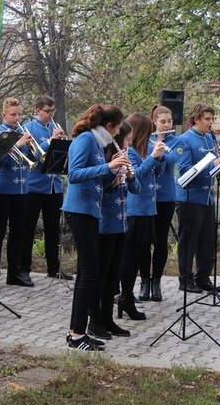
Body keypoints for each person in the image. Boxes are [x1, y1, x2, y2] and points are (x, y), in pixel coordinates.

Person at [63, 103, 131, 351]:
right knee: (88, 272)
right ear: (109, 126)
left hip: (90, 210)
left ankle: (77, 332)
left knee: (89, 272)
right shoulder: (86, 140)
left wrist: (114, 176)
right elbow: (74, 174)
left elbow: (97, 179)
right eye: (118, 128)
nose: (118, 134)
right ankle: (77, 334)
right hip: (78, 210)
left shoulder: (99, 142)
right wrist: (108, 166)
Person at [91, 122, 139, 340]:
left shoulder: (124, 157)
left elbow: (136, 188)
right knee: (100, 274)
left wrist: (128, 175)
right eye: (127, 140)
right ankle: (95, 321)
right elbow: (98, 187)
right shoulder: (105, 157)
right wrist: (114, 178)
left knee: (113, 274)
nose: (129, 144)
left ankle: (108, 319)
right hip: (105, 224)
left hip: (121, 223)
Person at [174, 104, 220, 294]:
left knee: (207, 241)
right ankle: (185, 279)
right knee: (189, 241)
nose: (211, 123)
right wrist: (210, 164)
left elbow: (214, 167)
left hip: (207, 198)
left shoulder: (209, 139)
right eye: (207, 119)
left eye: (212, 119)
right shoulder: (184, 140)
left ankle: (203, 277)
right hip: (190, 198)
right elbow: (185, 170)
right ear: (196, 119)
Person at [118, 113, 165, 319]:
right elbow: (135, 175)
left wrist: (159, 158)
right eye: (149, 131)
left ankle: (126, 297)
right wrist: (153, 158)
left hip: (148, 209)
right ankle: (125, 297)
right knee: (130, 258)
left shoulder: (142, 150)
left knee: (137, 255)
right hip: (136, 210)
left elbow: (158, 173)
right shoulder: (131, 152)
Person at [22, 95, 72, 281]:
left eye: (53, 111)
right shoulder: (28, 128)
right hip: (35, 185)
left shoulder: (55, 127)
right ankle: (24, 269)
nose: (51, 115)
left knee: (53, 230)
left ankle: (54, 268)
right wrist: (50, 141)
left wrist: (64, 144)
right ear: (37, 111)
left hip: (54, 185)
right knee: (28, 229)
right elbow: (31, 156)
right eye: (47, 111)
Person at [0, 97, 34, 290]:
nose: (17, 118)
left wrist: (31, 147)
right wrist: (18, 145)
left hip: (22, 188)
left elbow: (32, 158)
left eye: (19, 114)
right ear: (3, 115)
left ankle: (14, 273)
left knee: (19, 231)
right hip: (2, 188)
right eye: (13, 115)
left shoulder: (24, 132)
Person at [140, 105, 180, 302]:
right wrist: (153, 149)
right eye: (162, 121)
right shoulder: (144, 139)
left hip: (165, 197)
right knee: (144, 240)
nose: (166, 125)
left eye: (169, 121)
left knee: (161, 241)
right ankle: (144, 282)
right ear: (154, 121)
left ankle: (156, 282)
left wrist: (161, 149)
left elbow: (171, 161)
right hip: (147, 196)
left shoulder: (176, 140)